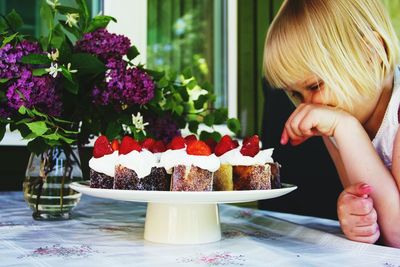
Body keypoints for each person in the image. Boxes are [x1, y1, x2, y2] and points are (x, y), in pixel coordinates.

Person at [263, 0, 400, 247]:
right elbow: (368, 205)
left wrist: (346, 128)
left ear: (370, 53)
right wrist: (356, 213)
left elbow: (397, 235)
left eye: (314, 86)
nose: (308, 105)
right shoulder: (337, 126)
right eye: (295, 94)